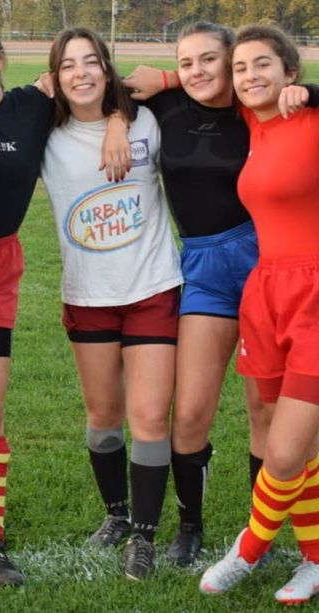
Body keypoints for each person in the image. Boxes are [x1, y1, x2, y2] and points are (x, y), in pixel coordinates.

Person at [121, 23, 317, 567]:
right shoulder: (165, 106)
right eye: (186, 63)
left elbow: (293, 91)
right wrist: (121, 121)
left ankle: (265, 527)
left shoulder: (255, 108)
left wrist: (307, 91)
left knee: (266, 410)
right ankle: (190, 526)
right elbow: (93, 89)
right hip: (204, 264)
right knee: (189, 413)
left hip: (263, 258)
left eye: (213, 60)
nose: (198, 71)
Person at [41, 28, 182, 580]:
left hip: (151, 288)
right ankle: (116, 515)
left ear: (107, 67)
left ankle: (144, 536)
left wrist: (121, 116)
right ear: (54, 76)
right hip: (88, 295)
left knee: (148, 417)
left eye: (92, 62)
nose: (81, 73)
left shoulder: (148, 119)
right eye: (68, 65)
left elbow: (212, 88)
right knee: (103, 418)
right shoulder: (45, 134)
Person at [198, 24, 319, 605]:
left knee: (288, 449)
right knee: (272, 422)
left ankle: (250, 545)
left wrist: (316, 94)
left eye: (263, 65)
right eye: (241, 67)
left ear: (289, 72)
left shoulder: (313, 121)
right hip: (267, 290)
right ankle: (316, 558)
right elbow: (194, 81)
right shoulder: (253, 123)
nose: (250, 76)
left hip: (317, 293)